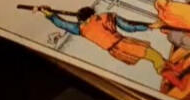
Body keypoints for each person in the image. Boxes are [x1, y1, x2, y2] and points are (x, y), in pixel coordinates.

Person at [38, 5, 168, 74]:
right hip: (123, 44)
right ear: (92, 14)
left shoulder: (81, 29)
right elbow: (129, 27)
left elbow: (62, 24)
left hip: (114, 52)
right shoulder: (105, 17)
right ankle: (172, 78)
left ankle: (169, 73)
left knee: (155, 59)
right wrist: (149, 26)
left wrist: (49, 14)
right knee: (156, 57)